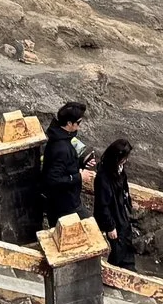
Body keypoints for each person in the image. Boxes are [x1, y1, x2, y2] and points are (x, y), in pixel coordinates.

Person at [92, 137, 139, 268]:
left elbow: (124, 186)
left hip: (120, 212)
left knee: (125, 242)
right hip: (113, 217)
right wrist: (110, 226)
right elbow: (103, 205)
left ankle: (128, 267)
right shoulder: (103, 178)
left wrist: (128, 201)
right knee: (117, 246)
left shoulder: (118, 169)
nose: (126, 161)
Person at [40, 101, 89, 224]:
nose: (79, 126)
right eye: (78, 123)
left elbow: (66, 163)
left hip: (64, 200)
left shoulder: (59, 136)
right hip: (65, 203)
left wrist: (82, 162)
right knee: (87, 226)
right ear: (69, 123)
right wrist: (79, 176)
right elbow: (53, 179)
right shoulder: (61, 148)